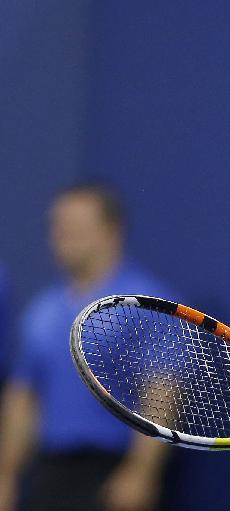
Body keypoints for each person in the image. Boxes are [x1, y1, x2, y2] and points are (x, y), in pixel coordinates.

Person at [0, 183, 169, 511]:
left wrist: (141, 471)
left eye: (75, 227)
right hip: (48, 473)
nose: (61, 235)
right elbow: (23, 398)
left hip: (111, 472)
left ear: (112, 231)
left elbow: (161, 392)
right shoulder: (42, 310)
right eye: (57, 226)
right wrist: (6, 475)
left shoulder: (146, 303)